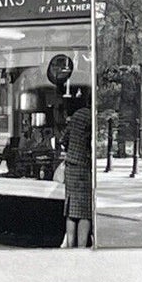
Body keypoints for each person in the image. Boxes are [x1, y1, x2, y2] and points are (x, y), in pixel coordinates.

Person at [60, 92, 93, 248]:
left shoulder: (76, 115)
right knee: (85, 211)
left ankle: (70, 245)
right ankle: (81, 247)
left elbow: (63, 140)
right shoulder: (91, 118)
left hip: (70, 165)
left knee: (71, 209)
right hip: (84, 166)